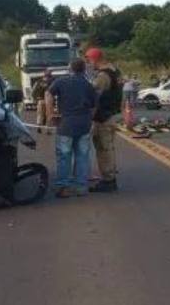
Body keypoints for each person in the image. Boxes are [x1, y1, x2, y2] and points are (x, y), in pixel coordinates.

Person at [49, 58, 98, 198]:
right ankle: (81, 187)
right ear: (83, 70)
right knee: (82, 156)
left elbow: (48, 94)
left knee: (64, 156)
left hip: (66, 124)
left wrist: (51, 113)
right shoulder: (89, 85)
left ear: (70, 69)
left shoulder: (61, 82)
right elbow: (94, 107)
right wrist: (88, 118)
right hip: (84, 125)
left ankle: (63, 187)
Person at [85, 47, 123, 193]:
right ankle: (109, 176)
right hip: (112, 113)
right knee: (108, 147)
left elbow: (94, 96)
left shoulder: (103, 76)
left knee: (103, 148)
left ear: (94, 59)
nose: (88, 63)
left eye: (88, 60)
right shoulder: (115, 70)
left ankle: (108, 180)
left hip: (104, 116)